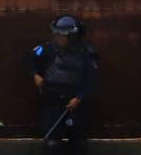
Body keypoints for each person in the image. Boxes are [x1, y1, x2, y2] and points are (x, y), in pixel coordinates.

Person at [32, 15, 98, 154]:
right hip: (53, 100)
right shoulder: (47, 49)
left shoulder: (86, 53)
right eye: (56, 34)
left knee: (79, 143)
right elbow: (30, 60)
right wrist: (35, 74)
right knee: (52, 143)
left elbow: (91, 79)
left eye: (61, 35)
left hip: (76, 102)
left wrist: (79, 97)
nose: (57, 37)